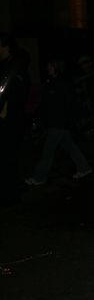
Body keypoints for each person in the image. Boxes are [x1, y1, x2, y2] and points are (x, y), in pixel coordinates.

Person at [25, 59, 92, 185]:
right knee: (68, 145)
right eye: (48, 65)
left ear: (56, 66)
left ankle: (39, 177)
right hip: (57, 121)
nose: (48, 67)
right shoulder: (52, 83)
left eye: (51, 65)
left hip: (59, 122)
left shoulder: (61, 83)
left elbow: (67, 103)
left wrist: (66, 119)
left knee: (48, 149)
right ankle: (84, 168)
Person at [0, 32, 30, 205]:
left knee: (7, 157)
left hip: (10, 121)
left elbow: (17, 96)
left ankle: (12, 194)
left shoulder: (15, 68)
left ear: (6, 46)